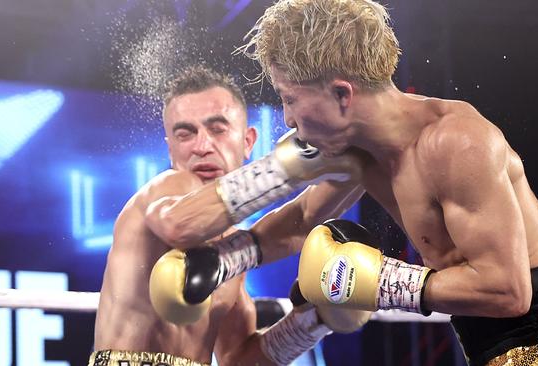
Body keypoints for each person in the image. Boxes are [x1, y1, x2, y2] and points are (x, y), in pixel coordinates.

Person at [240, 0, 538, 365]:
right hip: (490, 349)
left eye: (289, 98)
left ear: (343, 94)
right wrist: (225, 259)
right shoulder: (363, 153)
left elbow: (508, 291)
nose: (288, 119)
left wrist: (380, 282)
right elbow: (303, 217)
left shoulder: (455, 143)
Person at [90, 64, 371, 366]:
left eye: (217, 128)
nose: (201, 146)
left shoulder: (227, 259)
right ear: (170, 148)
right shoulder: (167, 188)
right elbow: (175, 224)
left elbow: (238, 360)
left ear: (248, 141)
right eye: (185, 134)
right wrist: (286, 167)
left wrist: (312, 322)